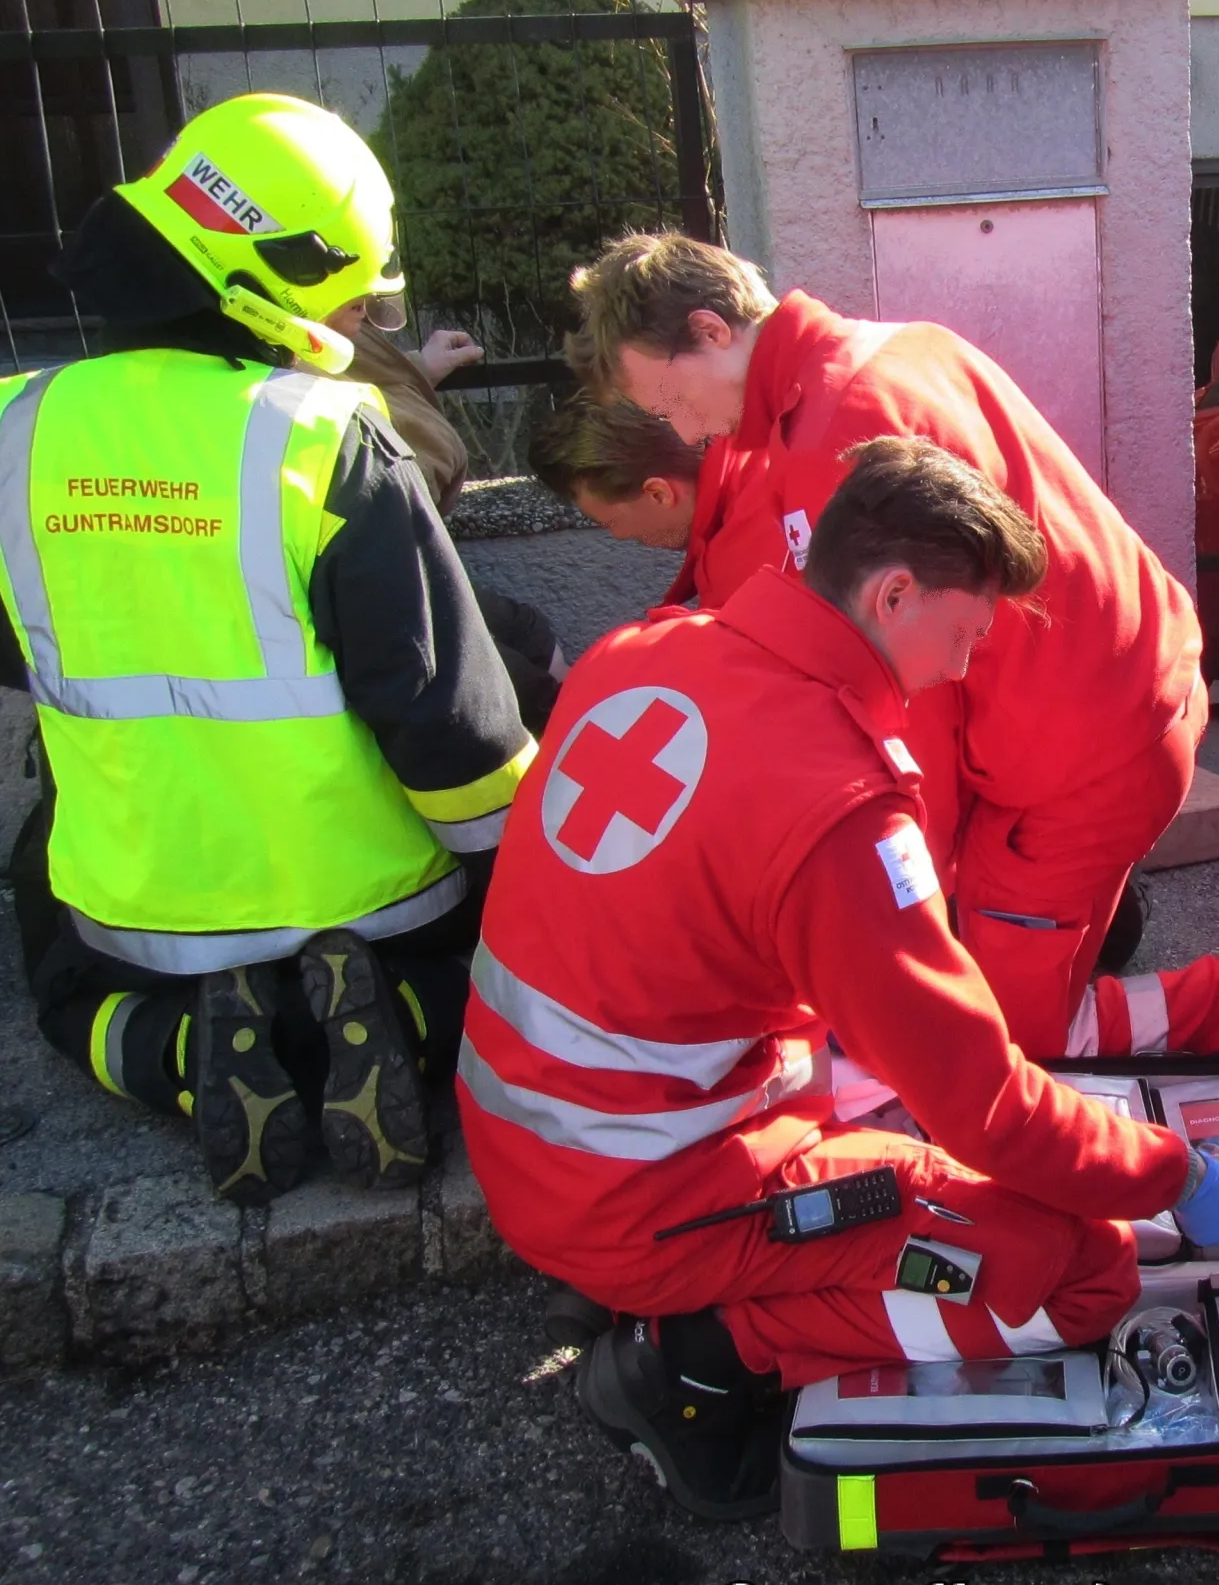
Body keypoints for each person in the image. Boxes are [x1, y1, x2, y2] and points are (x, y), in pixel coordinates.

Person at [457, 437, 1219, 1520]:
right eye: (964, 632)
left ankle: (668, 1291)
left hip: (549, 1144)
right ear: (892, 594)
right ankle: (696, 1358)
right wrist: (1171, 1177)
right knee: (1074, 1269)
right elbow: (988, 1110)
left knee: (916, 1087)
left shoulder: (645, 648)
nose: (963, 666)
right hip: (651, 1195)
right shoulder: (834, 805)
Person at [562, 235, 1219, 1127]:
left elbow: (913, 702)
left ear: (709, 330)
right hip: (1107, 701)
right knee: (987, 997)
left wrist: (899, 901)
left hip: (1079, 754)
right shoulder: (887, 353)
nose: (682, 431)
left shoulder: (832, 440)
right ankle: (1109, 955)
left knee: (995, 1041)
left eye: (668, 399)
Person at [0, 92, 537, 1206]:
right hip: (381, 910)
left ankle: (182, 1052)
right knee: (487, 979)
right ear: (285, 275)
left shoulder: (16, 428)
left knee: (60, 983)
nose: (357, 315)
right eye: (351, 291)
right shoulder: (326, 436)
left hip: (136, 919)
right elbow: (448, 722)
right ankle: (403, 1018)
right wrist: (524, 899)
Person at [318, 303, 567, 735]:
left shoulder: (331, 329)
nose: (365, 301)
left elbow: (361, 375)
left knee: (525, 632)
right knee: (517, 694)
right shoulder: (279, 365)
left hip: (410, 544)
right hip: (368, 567)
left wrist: (415, 370)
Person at [527, 391, 774, 608]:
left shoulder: (744, 571)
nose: (619, 536)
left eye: (611, 523)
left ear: (659, 494)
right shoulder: (759, 454)